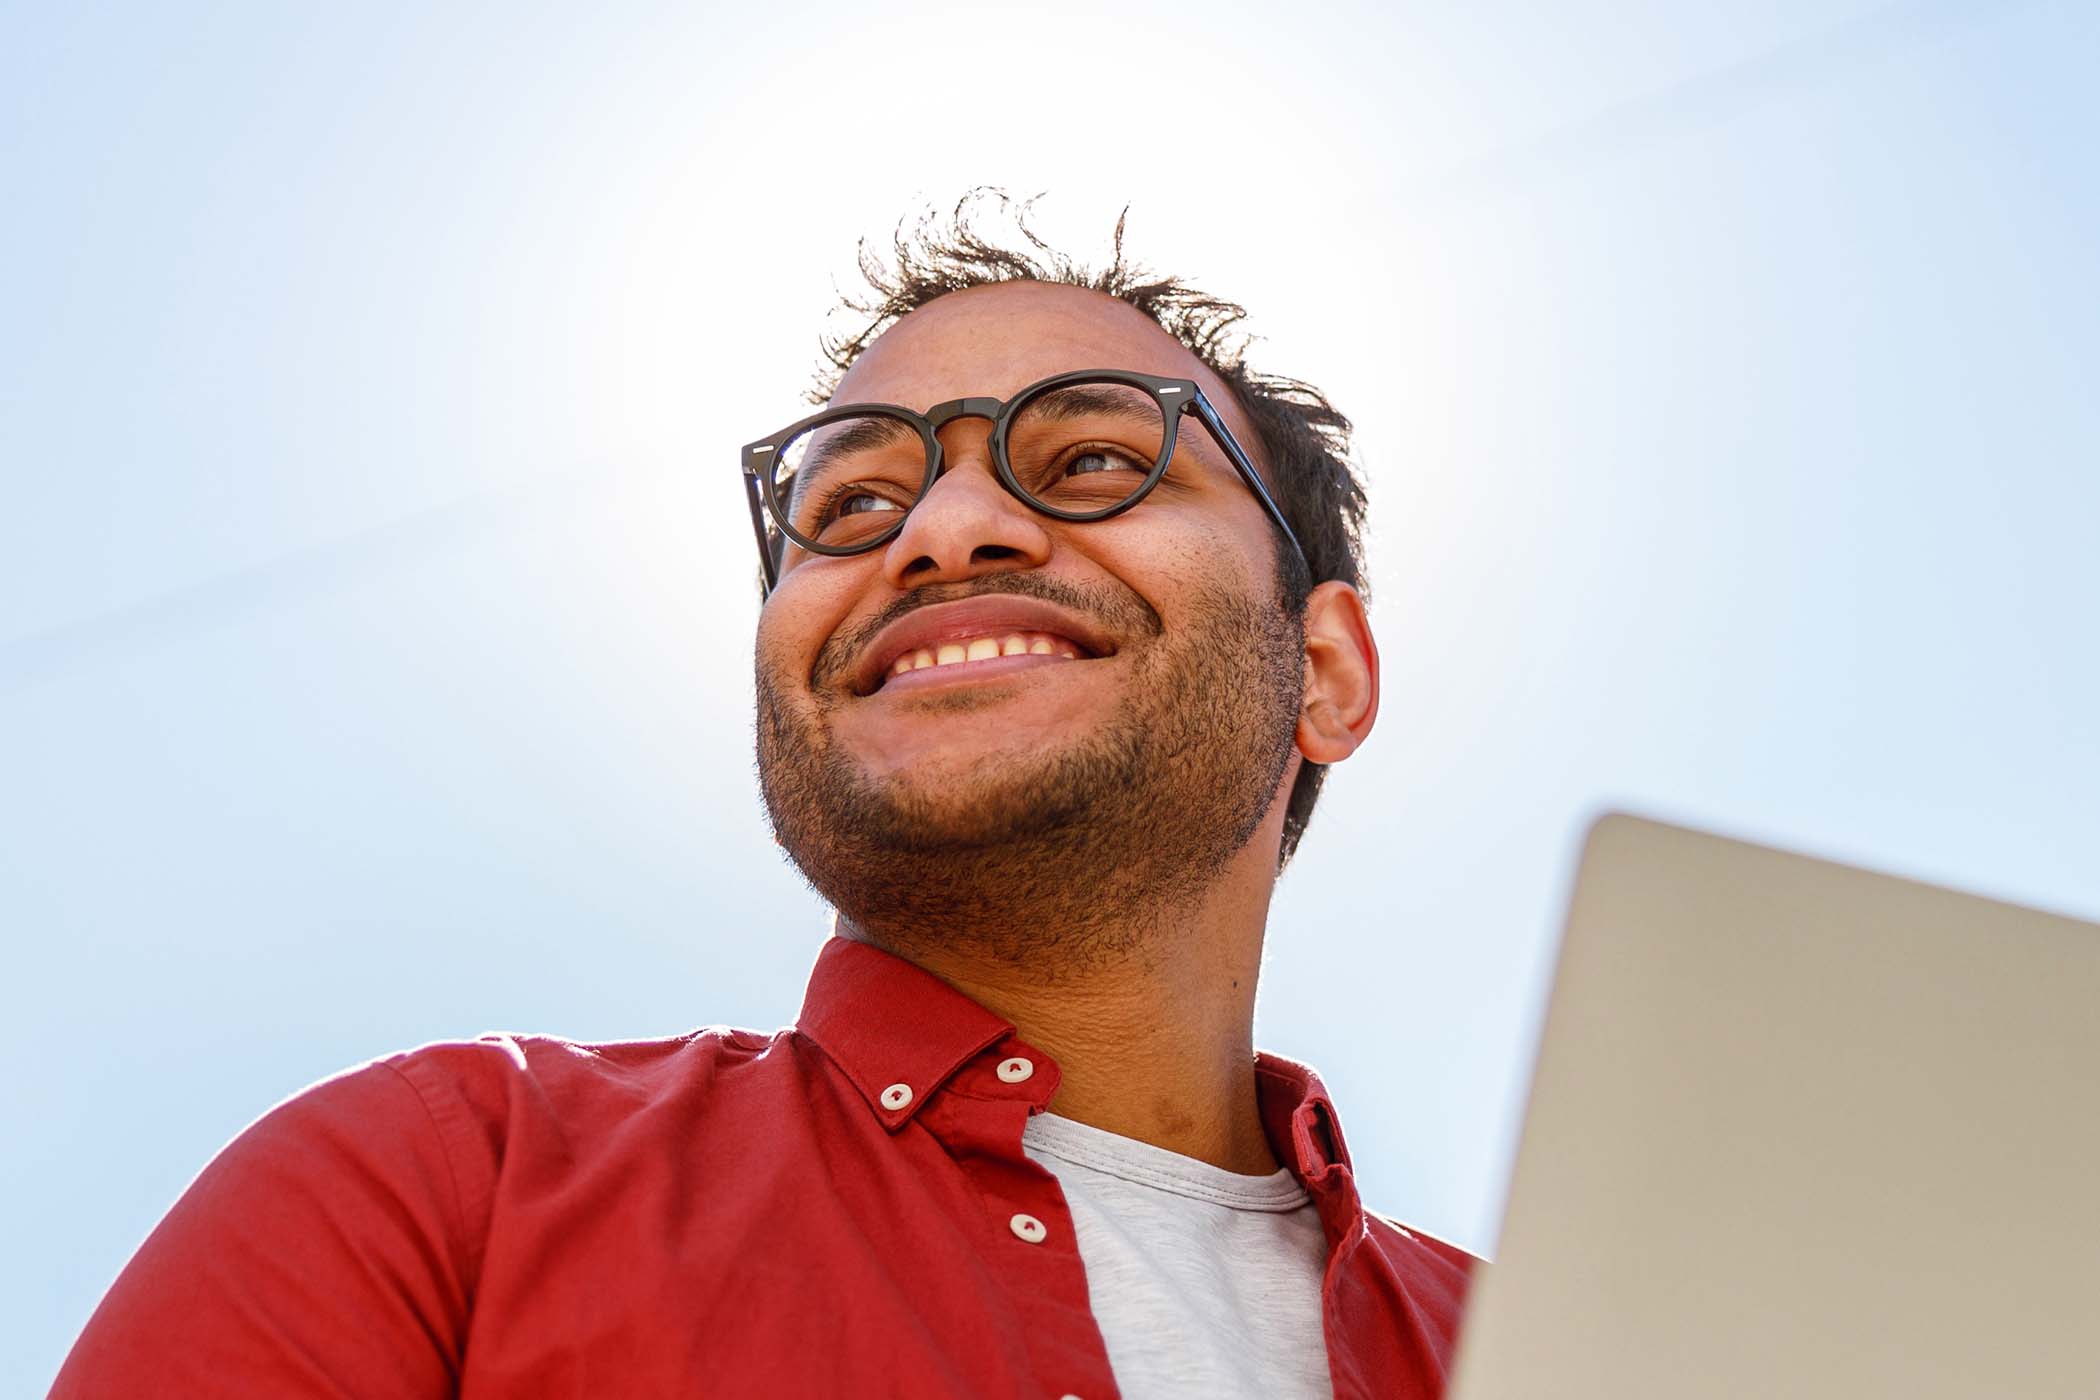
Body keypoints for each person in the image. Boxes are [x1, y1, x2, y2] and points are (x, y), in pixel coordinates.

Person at [52, 195, 1473, 1399]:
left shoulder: (1555, 1354)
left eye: (1096, 458)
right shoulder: (437, 1187)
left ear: (1327, 672)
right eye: (850, 506)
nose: (942, 529)